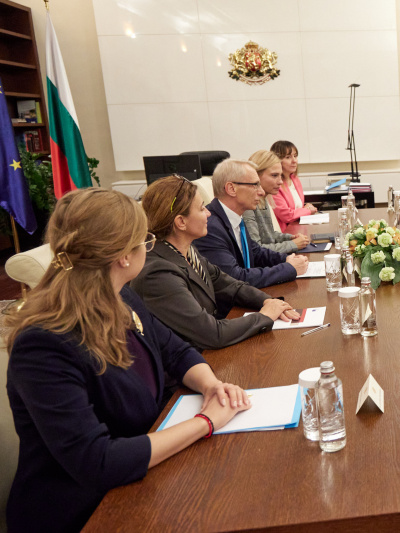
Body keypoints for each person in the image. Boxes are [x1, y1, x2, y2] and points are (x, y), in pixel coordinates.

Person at [5, 189, 251, 532]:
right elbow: (98, 461)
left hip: (146, 475)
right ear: (123, 256)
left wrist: (212, 385)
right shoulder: (43, 345)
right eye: (145, 241)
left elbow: (176, 351)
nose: (148, 247)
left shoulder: (121, 296)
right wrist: (205, 422)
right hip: (86, 510)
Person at [132, 175, 300, 351]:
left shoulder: (186, 250)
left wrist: (268, 302)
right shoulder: (158, 274)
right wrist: (264, 316)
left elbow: (231, 286)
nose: (208, 213)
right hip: (189, 368)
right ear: (181, 222)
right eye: (202, 208)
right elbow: (212, 334)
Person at [194, 159, 309, 288]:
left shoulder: (234, 217)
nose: (261, 192)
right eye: (255, 185)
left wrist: (286, 259)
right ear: (231, 189)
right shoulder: (210, 227)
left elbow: (255, 252)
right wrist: (288, 269)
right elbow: (235, 277)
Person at [245, 150, 310, 253]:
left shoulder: (263, 199)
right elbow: (256, 250)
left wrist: (290, 238)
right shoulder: (247, 206)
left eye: (280, 176)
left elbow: (269, 235)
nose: (280, 181)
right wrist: (292, 244)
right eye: (274, 175)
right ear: (256, 175)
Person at [270, 140, 317, 230]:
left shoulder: (295, 179)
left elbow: (296, 208)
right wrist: (307, 210)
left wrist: (306, 207)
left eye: (295, 156)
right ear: (277, 160)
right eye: (288, 157)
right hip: (285, 233)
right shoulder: (275, 185)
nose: (294, 161)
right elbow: (287, 216)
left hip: (299, 227)